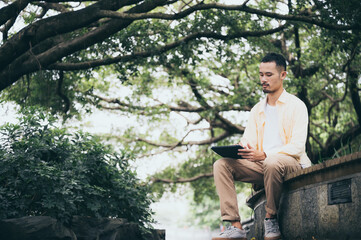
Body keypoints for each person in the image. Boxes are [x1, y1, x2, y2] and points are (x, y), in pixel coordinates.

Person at [212, 53, 311, 240]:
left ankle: (270, 218)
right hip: (263, 165)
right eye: (261, 75)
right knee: (221, 165)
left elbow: (297, 146)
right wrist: (241, 148)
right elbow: (247, 140)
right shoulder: (257, 110)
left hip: (291, 164)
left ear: (283, 75)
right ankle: (235, 226)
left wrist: (265, 154)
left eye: (269, 75)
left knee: (272, 161)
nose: (263, 79)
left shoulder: (297, 106)